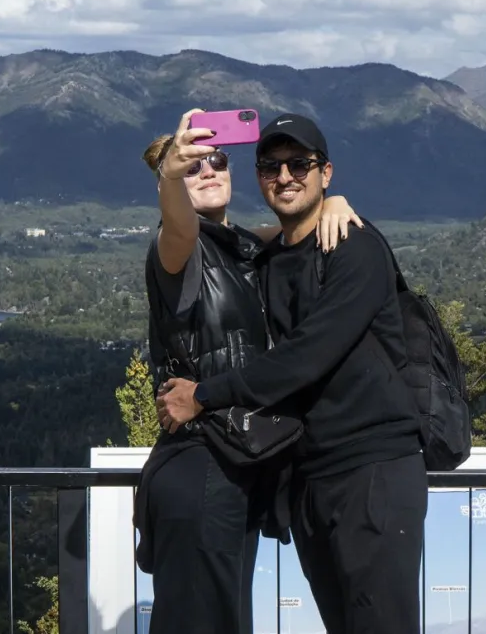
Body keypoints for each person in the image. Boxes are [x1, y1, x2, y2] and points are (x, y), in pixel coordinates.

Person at [156, 113, 427, 634]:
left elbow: (306, 355)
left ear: (326, 171)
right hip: (309, 478)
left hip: (371, 469)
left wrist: (206, 394)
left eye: (300, 164)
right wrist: (171, 175)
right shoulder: (270, 257)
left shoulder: (356, 246)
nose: (285, 176)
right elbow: (197, 231)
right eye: (271, 167)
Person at [133, 108, 362, 634]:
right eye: (194, 167)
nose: (208, 170)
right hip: (199, 461)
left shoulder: (243, 250)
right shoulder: (176, 253)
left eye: (217, 160)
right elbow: (179, 225)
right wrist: (171, 174)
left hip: (238, 465)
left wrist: (337, 201)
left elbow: (291, 226)